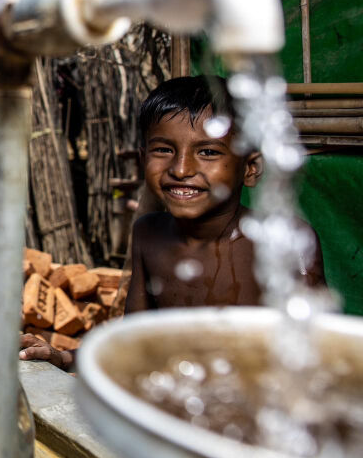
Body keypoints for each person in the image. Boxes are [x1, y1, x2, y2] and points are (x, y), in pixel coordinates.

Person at [19, 75, 324, 370]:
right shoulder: (148, 234)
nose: (181, 169)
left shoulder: (283, 241)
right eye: (164, 150)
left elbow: (315, 353)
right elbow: (136, 339)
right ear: (143, 158)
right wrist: (64, 358)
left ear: (251, 168)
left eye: (207, 152)